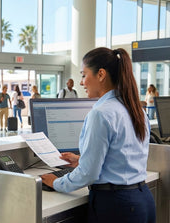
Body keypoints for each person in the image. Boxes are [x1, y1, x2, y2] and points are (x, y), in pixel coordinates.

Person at [41, 47, 155, 223]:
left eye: (84, 75)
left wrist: (55, 182)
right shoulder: (136, 109)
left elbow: (88, 174)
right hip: (142, 200)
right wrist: (82, 160)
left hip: (117, 206)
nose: (81, 82)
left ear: (101, 74)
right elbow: (124, 156)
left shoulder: (101, 113)